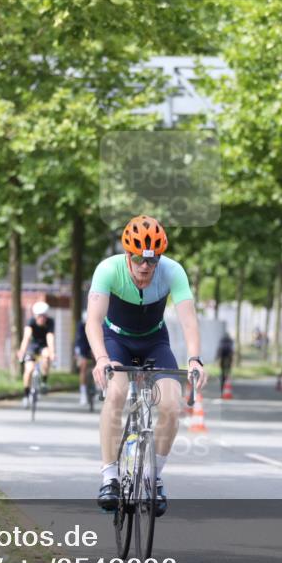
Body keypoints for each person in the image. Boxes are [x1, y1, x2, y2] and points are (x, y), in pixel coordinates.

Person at [86, 215, 207, 516]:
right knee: (115, 394)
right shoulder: (108, 270)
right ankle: (109, 476)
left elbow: (189, 320)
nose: (145, 266)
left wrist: (194, 359)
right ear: (127, 254)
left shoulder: (173, 272)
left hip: (155, 341)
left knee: (171, 404)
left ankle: (154, 477)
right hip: (117, 340)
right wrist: (101, 358)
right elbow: (93, 321)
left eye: (152, 261)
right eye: (139, 258)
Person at [17, 301, 55, 407]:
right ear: (35, 316)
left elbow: (50, 337)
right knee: (28, 370)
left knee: (46, 356)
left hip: (43, 346)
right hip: (32, 347)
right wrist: (22, 351)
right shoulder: (31, 322)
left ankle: (44, 381)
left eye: (44, 316)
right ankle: (25, 395)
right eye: (39, 316)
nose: (42, 319)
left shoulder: (50, 322)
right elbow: (26, 337)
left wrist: (52, 352)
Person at [74, 312, 94, 406]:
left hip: (94, 347)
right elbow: (79, 342)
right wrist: (80, 354)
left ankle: (99, 384)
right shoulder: (81, 327)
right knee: (83, 365)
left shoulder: (98, 325)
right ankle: (83, 392)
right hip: (83, 348)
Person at [216, 330, 235, 395]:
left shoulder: (222, 341)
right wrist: (232, 360)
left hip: (223, 358)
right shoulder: (230, 341)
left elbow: (219, 350)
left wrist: (218, 359)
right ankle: (226, 379)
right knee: (227, 372)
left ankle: (223, 381)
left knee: (222, 373)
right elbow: (232, 351)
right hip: (228, 358)